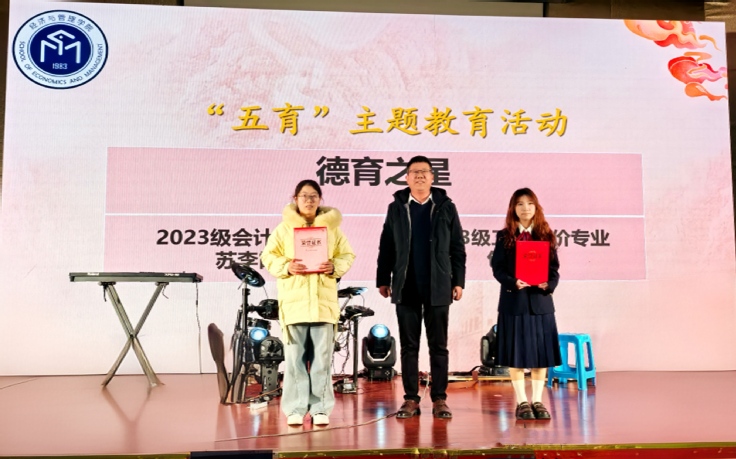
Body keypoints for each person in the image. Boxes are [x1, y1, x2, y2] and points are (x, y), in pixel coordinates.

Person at [376, 155, 466, 419]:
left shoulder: (446, 207)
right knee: (409, 347)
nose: (419, 176)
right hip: (406, 285)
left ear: (432, 177)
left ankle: (439, 398)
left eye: (424, 171)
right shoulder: (397, 207)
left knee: (439, 346)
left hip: (439, 285)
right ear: (406, 177)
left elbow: (457, 248)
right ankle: (410, 399)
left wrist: (458, 281)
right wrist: (383, 279)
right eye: (414, 172)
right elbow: (387, 246)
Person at [261, 179, 355, 426]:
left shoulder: (332, 229)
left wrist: (335, 266)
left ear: (320, 199)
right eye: (304, 196)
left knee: (322, 361)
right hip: (295, 305)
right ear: (295, 199)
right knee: (295, 361)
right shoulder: (283, 229)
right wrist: (286, 266)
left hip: (323, 305)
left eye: (314, 196)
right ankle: (295, 408)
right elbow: (268, 256)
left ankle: (320, 408)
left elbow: (347, 254)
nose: (309, 200)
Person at [490, 188, 561, 420]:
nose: (525, 208)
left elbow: (554, 270)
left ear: (536, 207)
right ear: (513, 208)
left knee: (541, 355)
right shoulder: (504, 236)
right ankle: (522, 402)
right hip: (514, 302)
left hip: (541, 303)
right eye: (520, 204)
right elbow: (497, 269)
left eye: (530, 203)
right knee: (516, 355)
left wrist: (549, 284)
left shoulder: (546, 235)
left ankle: (538, 401)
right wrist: (513, 282)